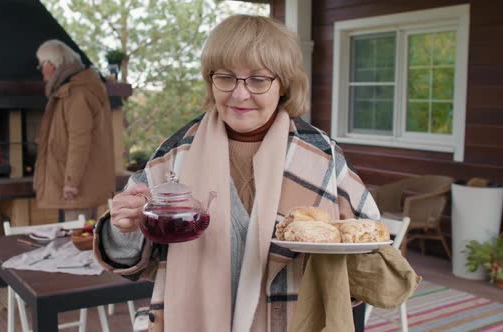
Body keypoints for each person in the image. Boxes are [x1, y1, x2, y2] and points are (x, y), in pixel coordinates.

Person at [93, 15, 419, 332]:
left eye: (258, 79)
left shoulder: (320, 154)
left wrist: (342, 256)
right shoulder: (177, 151)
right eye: (225, 77)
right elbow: (128, 257)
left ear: (283, 84)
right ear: (210, 80)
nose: (239, 94)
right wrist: (124, 228)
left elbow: (371, 247)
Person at [33, 39, 115, 222]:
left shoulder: (76, 93)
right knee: (83, 237)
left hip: (78, 187)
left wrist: (71, 182)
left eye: (41, 65)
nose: (41, 71)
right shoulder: (75, 89)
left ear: (51, 64)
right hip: (81, 182)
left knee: (78, 239)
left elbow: (79, 140)